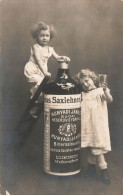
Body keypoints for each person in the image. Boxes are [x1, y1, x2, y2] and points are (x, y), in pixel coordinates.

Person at [75, 69, 113, 185]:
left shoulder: (100, 91)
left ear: (93, 79)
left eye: (87, 81)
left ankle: (103, 170)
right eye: (82, 83)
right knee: (89, 146)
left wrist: (105, 90)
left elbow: (109, 100)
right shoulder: (82, 94)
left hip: (97, 125)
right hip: (86, 125)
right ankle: (91, 170)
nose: (85, 85)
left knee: (97, 148)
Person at [24, 22, 70, 117]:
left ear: (50, 36)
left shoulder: (50, 49)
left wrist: (64, 58)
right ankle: (32, 99)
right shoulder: (35, 47)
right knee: (40, 84)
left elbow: (58, 58)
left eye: (47, 35)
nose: (44, 38)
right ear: (36, 36)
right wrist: (45, 72)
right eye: (42, 36)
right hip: (32, 70)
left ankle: (34, 106)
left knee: (42, 89)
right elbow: (39, 60)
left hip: (42, 73)